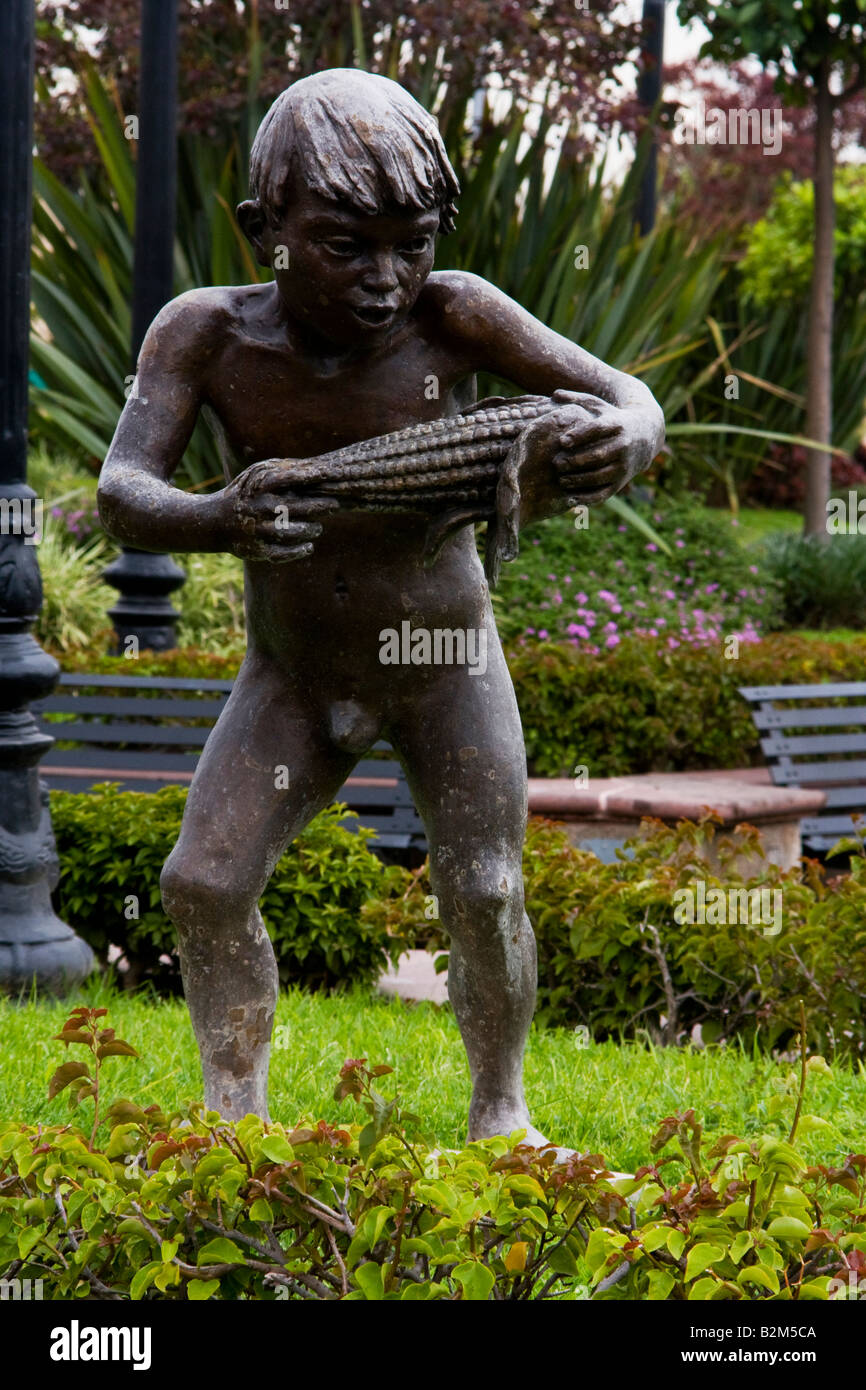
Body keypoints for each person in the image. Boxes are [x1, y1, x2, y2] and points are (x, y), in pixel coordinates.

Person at [98, 68, 664, 1141]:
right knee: (203, 881)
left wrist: (628, 436)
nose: (385, 278)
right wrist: (217, 515)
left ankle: (502, 1112)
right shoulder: (205, 335)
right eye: (344, 246)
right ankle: (235, 1123)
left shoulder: (453, 314)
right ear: (263, 230)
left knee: (485, 889)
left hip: (446, 665)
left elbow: (628, 396)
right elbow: (122, 490)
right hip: (296, 676)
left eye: (413, 244)